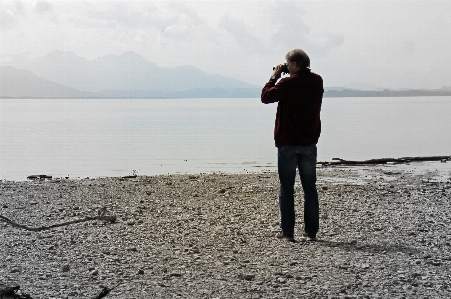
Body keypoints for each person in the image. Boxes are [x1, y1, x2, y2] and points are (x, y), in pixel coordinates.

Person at [261, 49, 323, 242]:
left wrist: (274, 77)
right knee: (309, 188)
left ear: (294, 65)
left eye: (288, 64)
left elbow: (265, 97)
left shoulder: (287, 83)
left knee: (287, 188)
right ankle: (311, 232)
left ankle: (288, 233)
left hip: (288, 143)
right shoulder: (317, 81)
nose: (286, 67)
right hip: (309, 142)